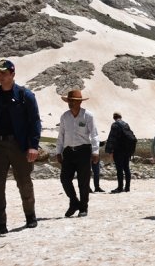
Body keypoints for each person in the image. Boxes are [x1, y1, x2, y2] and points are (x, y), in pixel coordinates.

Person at [0, 59, 42, 236]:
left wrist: (33, 146)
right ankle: (0, 224)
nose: (0, 76)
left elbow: (34, 122)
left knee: (24, 183)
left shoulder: (25, 96)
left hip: (19, 146)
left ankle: (30, 216)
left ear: (12, 74)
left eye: (3, 73)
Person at [56, 89, 100, 218]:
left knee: (83, 181)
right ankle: (74, 202)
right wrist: (58, 151)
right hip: (69, 151)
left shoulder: (88, 116)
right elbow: (61, 135)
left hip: (84, 151)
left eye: (73, 101)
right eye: (69, 101)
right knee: (64, 179)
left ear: (79, 102)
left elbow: (94, 134)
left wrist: (95, 152)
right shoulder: (65, 116)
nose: (70, 103)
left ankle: (83, 207)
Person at [106, 112, 136, 193]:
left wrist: (109, 150)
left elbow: (112, 138)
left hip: (118, 150)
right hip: (127, 150)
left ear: (114, 118)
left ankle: (120, 187)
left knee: (119, 169)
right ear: (121, 117)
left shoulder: (115, 125)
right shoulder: (126, 124)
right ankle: (127, 187)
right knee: (126, 168)